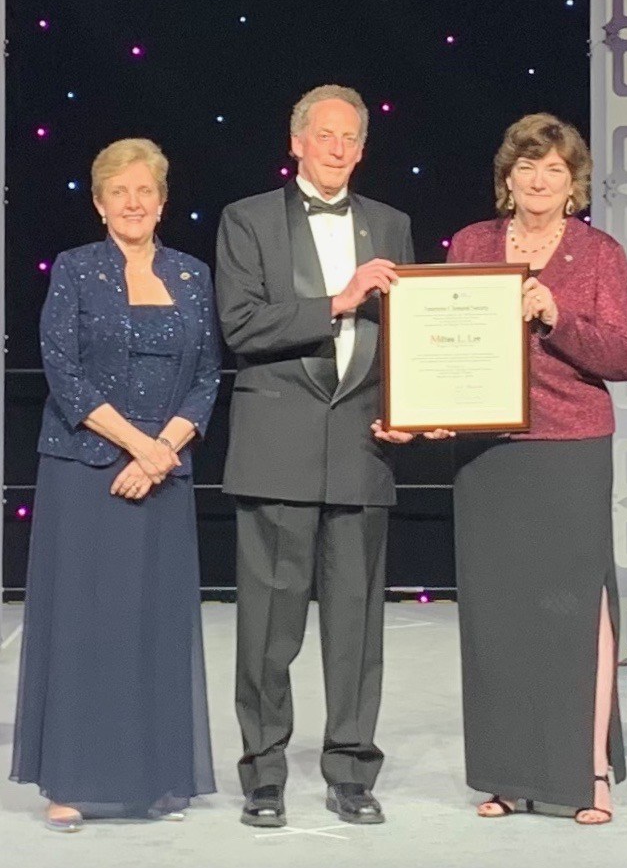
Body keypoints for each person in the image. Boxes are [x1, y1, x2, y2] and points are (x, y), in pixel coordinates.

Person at [377, 112, 627, 825]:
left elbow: (624, 355)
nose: (539, 179)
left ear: (573, 182)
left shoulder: (599, 253)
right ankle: (506, 772)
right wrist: (424, 407)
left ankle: (588, 771)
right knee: (497, 618)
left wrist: (556, 314)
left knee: (576, 608)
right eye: (528, 166)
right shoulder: (472, 244)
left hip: (569, 447)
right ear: (508, 175)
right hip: (488, 451)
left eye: (554, 169)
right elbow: (440, 336)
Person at [215, 84, 416, 827]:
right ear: (295, 142)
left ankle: (352, 770)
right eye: (323, 135)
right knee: (269, 629)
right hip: (277, 451)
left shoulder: (392, 223)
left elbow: (408, 335)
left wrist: (408, 410)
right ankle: (264, 773)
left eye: (349, 138)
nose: (336, 148)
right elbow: (240, 325)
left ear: (362, 149)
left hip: (364, 449)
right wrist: (339, 298)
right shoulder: (247, 219)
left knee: (357, 630)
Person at [10, 138, 220, 831]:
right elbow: (64, 372)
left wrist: (163, 452)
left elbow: (207, 376)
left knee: (153, 627)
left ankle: (156, 775)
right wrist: (139, 445)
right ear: (100, 203)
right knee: (86, 628)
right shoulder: (74, 270)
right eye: (118, 192)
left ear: (162, 201)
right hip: (84, 474)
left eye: (145, 191)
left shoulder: (191, 275)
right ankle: (73, 777)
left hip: (164, 476)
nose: (133, 203)